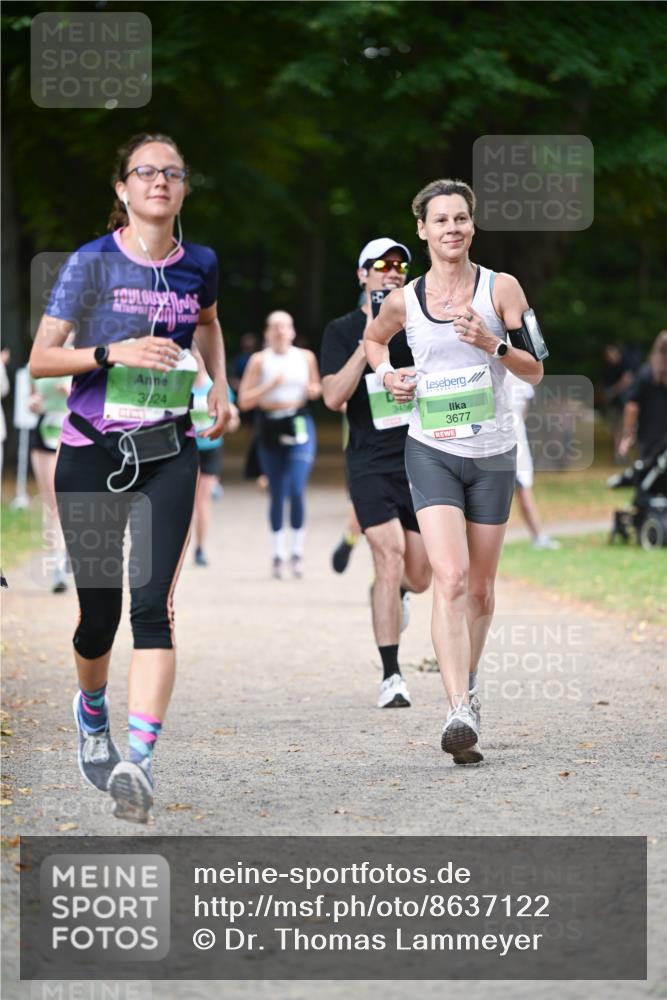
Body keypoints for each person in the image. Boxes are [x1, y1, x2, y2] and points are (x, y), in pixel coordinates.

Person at [29, 132, 231, 822]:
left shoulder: (198, 262)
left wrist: (220, 386)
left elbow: (207, 323)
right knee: (98, 618)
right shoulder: (89, 264)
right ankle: (91, 711)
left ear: (183, 188)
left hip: (169, 453)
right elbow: (41, 359)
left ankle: (137, 762)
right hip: (90, 453)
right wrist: (111, 351)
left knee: (153, 609)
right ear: (122, 189)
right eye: (145, 172)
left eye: (172, 173)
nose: (159, 182)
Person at [364, 180, 544, 761]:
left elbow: (536, 368)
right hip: (431, 448)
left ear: (472, 226)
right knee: (452, 578)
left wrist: (493, 344)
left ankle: (468, 684)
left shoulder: (502, 288)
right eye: (440, 220)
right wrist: (388, 375)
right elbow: (374, 341)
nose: (452, 229)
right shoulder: (404, 299)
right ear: (422, 230)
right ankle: (457, 709)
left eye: (461, 218)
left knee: (483, 589)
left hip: (492, 455)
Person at [320, 238, 432, 709]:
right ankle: (391, 675)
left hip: (420, 457)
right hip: (368, 462)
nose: (393, 271)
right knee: (387, 555)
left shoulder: (421, 324)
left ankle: (397, 594)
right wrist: (369, 341)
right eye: (382, 265)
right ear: (362, 274)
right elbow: (332, 396)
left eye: (401, 264)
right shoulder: (341, 329)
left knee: (421, 574)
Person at [238, 310, 320, 578]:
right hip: (270, 424)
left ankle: (296, 552)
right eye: (275, 327)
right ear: (266, 332)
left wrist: (312, 391)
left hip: (298, 421)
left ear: (293, 331)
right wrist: (268, 386)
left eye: (285, 326)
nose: (280, 331)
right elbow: (244, 401)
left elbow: (317, 388)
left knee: (296, 488)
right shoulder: (259, 361)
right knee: (277, 491)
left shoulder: (305, 357)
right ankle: (277, 554)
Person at [191, 345, 240, 566]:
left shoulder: (217, 386)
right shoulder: (179, 385)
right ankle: (181, 545)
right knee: (187, 502)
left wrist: (228, 420)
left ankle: (200, 548)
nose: (198, 360)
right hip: (186, 447)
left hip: (211, 448)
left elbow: (233, 420)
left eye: (201, 356)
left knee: (202, 502)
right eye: (194, 356)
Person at [505, 369, 560, 550]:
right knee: (523, 487)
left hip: (499, 435)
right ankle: (538, 536)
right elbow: (524, 410)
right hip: (513, 435)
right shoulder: (520, 369)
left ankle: (538, 535)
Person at [28, 371, 72, 591]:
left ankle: (69, 551)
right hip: (45, 431)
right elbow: (33, 398)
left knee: (67, 501)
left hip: (71, 432)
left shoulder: (81, 355)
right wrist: (33, 404)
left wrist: (70, 395)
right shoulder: (36, 363)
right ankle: (58, 565)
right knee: (51, 503)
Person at [618, 330, 667, 461]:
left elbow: (632, 406)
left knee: (650, 476)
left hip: (650, 438)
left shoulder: (645, 373)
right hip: (653, 438)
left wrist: (627, 434)